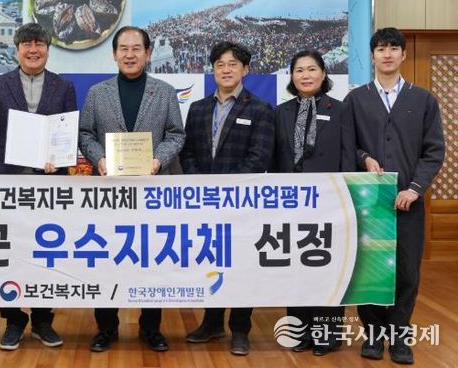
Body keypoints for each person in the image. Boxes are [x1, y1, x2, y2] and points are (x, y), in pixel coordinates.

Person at [79, 25, 185, 352]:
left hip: (153, 190)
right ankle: (106, 328)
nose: (129, 54)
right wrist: (99, 160)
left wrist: (158, 160)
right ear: (114, 54)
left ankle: (151, 328)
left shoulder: (165, 92)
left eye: (136, 48)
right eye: (123, 49)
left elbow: (176, 134)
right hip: (108, 191)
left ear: (148, 53)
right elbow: (85, 134)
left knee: (152, 259)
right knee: (106, 257)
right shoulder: (97, 93)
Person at [345, 27, 445, 365]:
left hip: (408, 204)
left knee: (406, 273)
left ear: (403, 55)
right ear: (372, 56)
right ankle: (373, 335)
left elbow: (434, 151)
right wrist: (364, 158)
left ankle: (400, 336)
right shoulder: (356, 100)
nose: (387, 54)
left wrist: (415, 188)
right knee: (370, 270)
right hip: (368, 202)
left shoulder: (423, 100)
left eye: (393, 48)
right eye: (380, 48)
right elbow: (347, 145)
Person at [0, 22, 76, 351]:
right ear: (17, 50)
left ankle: (43, 320)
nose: (33, 50)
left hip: (48, 182)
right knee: (9, 253)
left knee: (47, 252)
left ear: (48, 49)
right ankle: (13, 319)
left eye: (39, 44)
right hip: (8, 180)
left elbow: (67, 132)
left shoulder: (63, 86)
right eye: (27, 44)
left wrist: (59, 160)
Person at [179, 41, 274, 356]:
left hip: (242, 203)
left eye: (233, 64)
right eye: (220, 64)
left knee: (242, 265)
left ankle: (241, 329)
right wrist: (201, 184)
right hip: (204, 201)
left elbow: (259, 158)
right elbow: (187, 153)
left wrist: (227, 189)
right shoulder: (197, 109)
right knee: (211, 262)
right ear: (213, 70)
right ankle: (212, 322)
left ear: (245, 69)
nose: (226, 69)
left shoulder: (260, 109)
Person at [271, 49, 356, 356]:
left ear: (323, 73)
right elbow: (274, 160)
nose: (305, 75)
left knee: (328, 267)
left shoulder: (341, 109)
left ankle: (327, 334)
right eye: (299, 70)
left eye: (311, 69)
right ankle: (299, 330)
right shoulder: (281, 112)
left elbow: (348, 155)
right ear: (292, 76)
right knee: (295, 267)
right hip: (290, 203)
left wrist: (345, 199)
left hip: (329, 203)